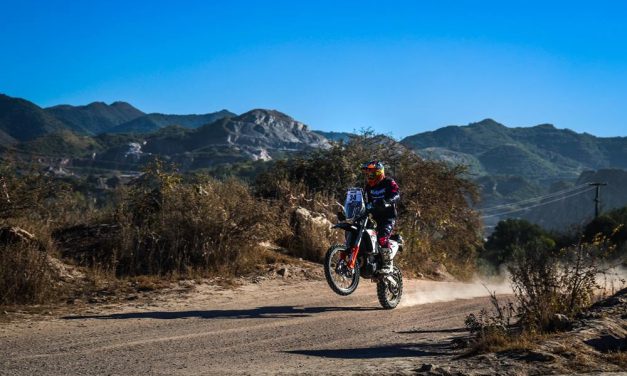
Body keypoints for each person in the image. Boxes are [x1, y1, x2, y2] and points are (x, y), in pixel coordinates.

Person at [361, 160, 400, 274]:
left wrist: (387, 201)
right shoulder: (368, 187)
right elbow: (364, 201)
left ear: (379, 173)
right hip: (374, 218)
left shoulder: (388, 182)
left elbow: (396, 193)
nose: (369, 176)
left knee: (382, 237)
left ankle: (388, 264)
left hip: (388, 217)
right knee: (362, 232)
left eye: (371, 173)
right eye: (367, 174)